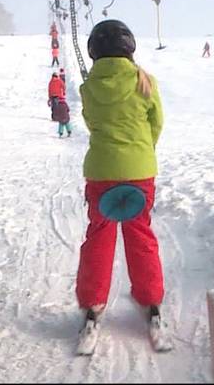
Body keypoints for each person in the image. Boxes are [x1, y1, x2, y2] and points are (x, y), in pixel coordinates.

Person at [76, 19, 170, 351]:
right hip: (140, 170)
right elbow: (156, 123)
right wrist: (142, 151)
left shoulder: (88, 88)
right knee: (140, 233)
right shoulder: (145, 82)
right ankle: (150, 297)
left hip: (101, 171)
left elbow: (91, 122)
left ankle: (92, 301)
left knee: (99, 236)